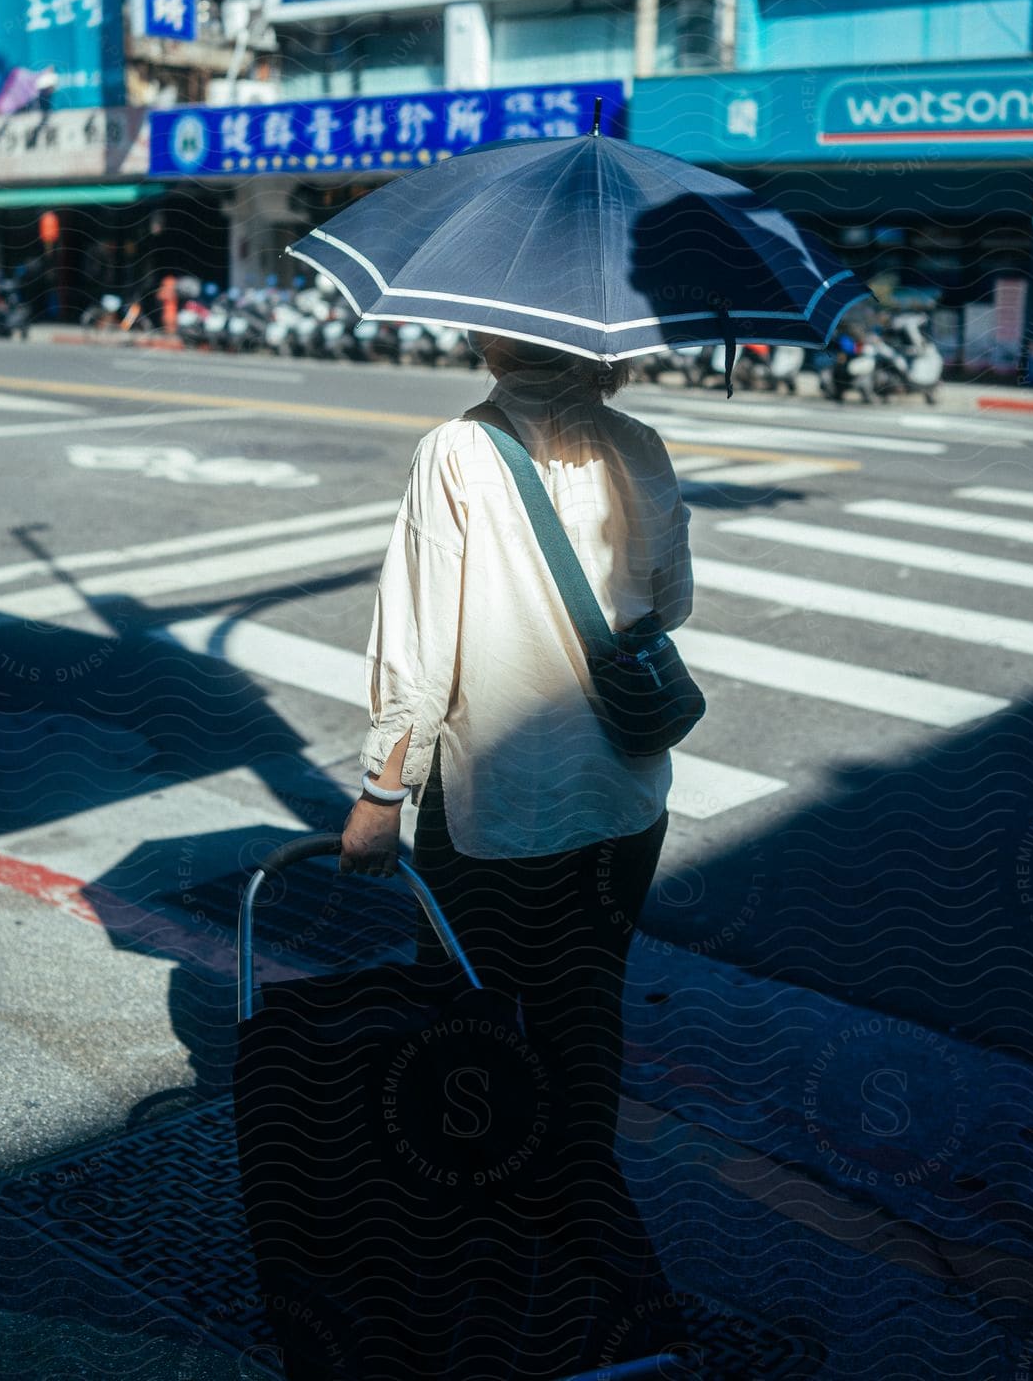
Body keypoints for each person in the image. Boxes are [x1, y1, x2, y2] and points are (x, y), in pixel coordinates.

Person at [339, 329, 696, 1364]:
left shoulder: (456, 450)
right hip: (624, 798)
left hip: (500, 808)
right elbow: (669, 603)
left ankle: (481, 1247)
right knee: (584, 1022)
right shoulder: (638, 444)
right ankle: (585, 1226)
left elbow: (420, 646)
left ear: (497, 333)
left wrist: (379, 793)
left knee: (471, 1027)